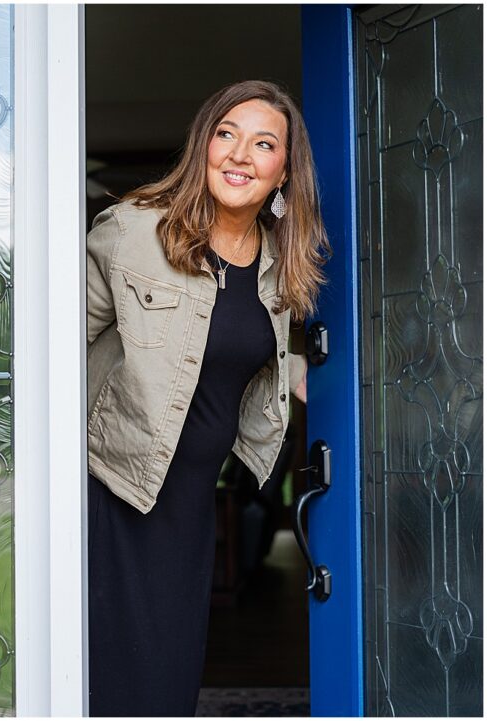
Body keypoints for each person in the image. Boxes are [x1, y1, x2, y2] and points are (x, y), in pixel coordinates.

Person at [85, 80, 327, 716]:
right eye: (227, 134)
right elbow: (54, 353)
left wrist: (300, 370)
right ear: (203, 147)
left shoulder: (279, 259)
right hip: (115, 488)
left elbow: (244, 349)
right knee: (108, 678)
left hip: (188, 502)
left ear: (282, 173)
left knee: (169, 680)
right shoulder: (132, 231)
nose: (240, 154)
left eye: (264, 143)